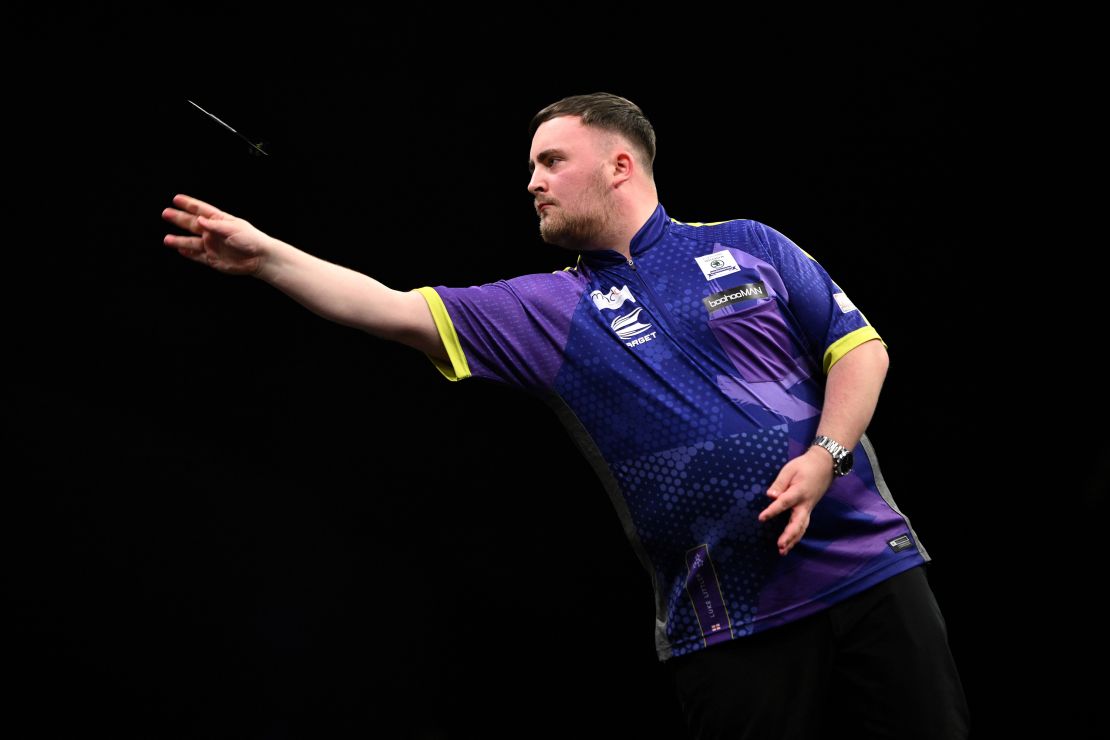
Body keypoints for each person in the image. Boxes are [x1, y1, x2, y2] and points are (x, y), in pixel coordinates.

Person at [162, 92, 969, 738]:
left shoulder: (749, 242)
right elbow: (390, 309)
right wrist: (268, 257)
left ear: (620, 165)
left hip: (870, 569)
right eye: (531, 166)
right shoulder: (546, 308)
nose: (532, 181)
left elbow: (861, 351)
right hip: (728, 622)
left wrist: (826, 455)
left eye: (551, 161)